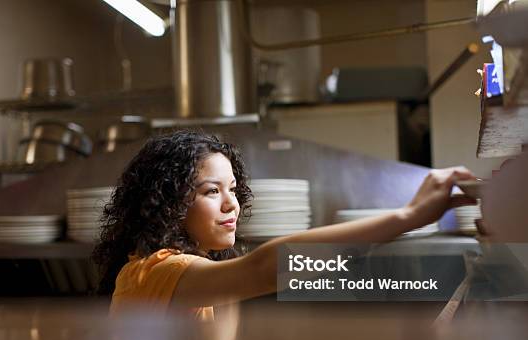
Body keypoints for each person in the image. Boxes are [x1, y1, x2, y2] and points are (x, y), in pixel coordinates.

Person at [93, 130, 476, 318]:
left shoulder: (200, 274)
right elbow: (265, 267)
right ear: (167, 201)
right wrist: (406, 217)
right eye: (211, 191)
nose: (232, 204)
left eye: (233, 189)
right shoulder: (153, 272)